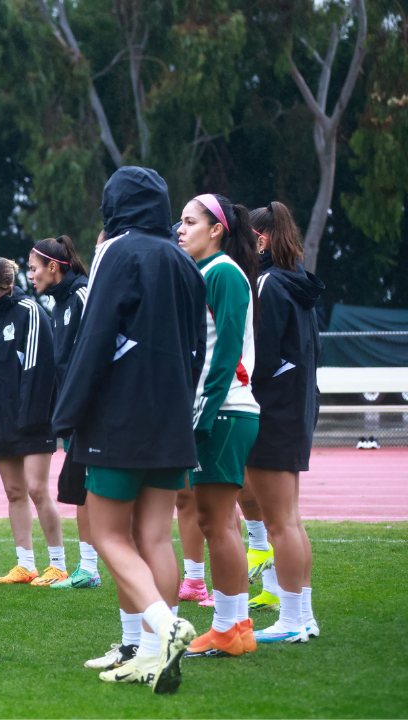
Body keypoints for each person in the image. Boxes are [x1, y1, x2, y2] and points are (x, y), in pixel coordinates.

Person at [52, 167, 203, 694]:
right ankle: (153, 654)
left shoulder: (118, 252)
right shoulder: (186, 264)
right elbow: (197, 351)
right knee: (156, 536)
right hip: (171, 419)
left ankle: (164, 629)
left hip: (119, 418)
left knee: (107, 533)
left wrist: (66, 413)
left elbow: (95, 339)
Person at [176, 193, 261, 659]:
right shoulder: (207, 273)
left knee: (217, 522)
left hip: (225, 410)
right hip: (220, 409)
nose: (181, 229)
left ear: (217, 229)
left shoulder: (223, 273)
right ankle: (238, 626)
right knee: (217, 520)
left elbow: (227, 349)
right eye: (180, 221)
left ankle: (229, 628)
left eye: (190, 221)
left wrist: (203, 415)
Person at [245, 201, 324, 643]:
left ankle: (294, 618)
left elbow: (263, 358)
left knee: (281, 523)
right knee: (288, 520)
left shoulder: (271, 285)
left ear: (262, 239)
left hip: (274, 414)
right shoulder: (294, 284)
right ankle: (302, 615)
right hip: (294, 411)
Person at [0, 257, 63, 586]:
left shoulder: (30, 313)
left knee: (38, 490)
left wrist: (30, 419)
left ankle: (58, 564)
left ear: (7, 288)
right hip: (0, 423)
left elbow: (38, 370)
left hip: (33, 420)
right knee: (14, 492)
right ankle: (25, 565)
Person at [27, 235, 101, 590]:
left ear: (53, 267)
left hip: (95, 413)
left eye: (33, 268)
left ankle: (92, 566)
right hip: (74, 414)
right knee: (82, 487)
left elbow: (97, 353)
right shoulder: (58, 304)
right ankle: (87, 568)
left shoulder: (84, 295)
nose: (30, 275)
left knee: (101, 490)